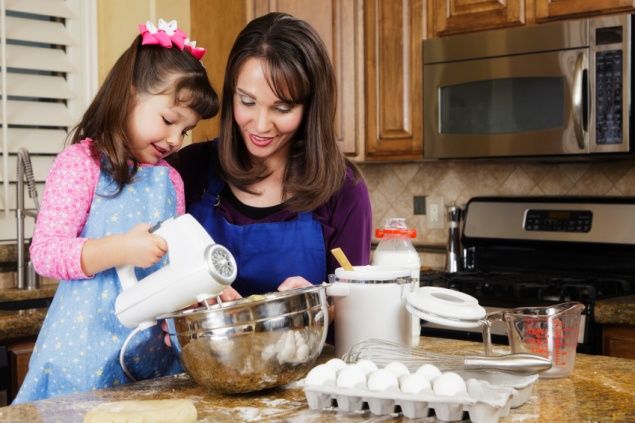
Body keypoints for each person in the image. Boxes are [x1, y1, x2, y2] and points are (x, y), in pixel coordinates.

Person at [13, 19, 219, 403]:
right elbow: (45, 253)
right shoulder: (81, 165)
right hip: (80, 354)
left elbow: (174, 265)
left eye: (186, 130)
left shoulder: (169, 180)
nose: (175, 140)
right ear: (130, 95)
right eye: (169, 120)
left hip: (147, 356)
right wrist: (121, 249)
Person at [170, 12, 372, 300]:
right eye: (248, 101)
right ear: (231, 94)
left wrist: (318, 302)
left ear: (310, 108)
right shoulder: (190, 169)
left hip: (309, 346)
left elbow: (356, 306)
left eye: (282, 108)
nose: (261, 125)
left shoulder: (343, 191)